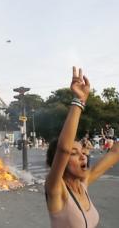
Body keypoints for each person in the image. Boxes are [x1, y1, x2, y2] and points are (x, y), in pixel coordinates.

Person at [45, 67, 119, 228]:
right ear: (60, 163)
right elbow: (63, 149)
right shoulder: (56, 189)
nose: (83, 156)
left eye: (83, 152)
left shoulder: (83, 183)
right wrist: (79, 100)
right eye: (74, 153)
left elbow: (115, 152)